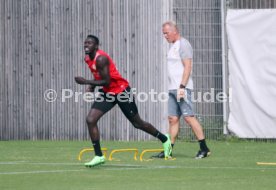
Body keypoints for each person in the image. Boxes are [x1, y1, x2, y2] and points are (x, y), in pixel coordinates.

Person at [75, 35, 172, 167]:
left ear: (96, 46)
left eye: (90, 43)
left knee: (138, 124)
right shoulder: (87, 58)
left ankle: (164, 139)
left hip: (121, 91)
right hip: (108, 92)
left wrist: (86, 82)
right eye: (85, 43)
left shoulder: (101, 58)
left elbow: (106, 80)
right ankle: (99, 156)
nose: (86, 45)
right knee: (90, 120)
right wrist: (92, 86)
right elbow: (97, 74)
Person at [152, 21, 210, 159]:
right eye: (163, 33)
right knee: (172, 119)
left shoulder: (183, 44)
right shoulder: (173, 46)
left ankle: (204, 148)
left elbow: (188, 66)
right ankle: (168, 150)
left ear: (174, 31)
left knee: (189, 117)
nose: (165, 36)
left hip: (182, 88)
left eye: (166, 33)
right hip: (172, 88)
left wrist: (182, 87)